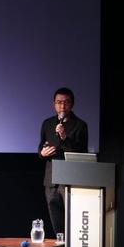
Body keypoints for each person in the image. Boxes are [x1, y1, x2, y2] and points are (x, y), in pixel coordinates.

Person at [38, 87, 88, 237]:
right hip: (51, 180)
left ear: (72, 104)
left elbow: (82, 153)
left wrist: (65, 137)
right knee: (57, 224)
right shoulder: (47, 123)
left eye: (66, 102)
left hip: (70, 179)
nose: (62, 106)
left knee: (73, 221)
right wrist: (41, 153)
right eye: (59, 102)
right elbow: (41, 146)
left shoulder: (80, 125)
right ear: (54, 104)